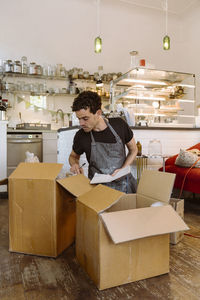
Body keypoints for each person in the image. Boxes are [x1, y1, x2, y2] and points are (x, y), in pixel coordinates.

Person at [69, 91, 138, 193]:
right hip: (97, 190)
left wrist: (123, 168)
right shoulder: (81, 135)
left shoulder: (119, 125)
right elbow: (73, 157)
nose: (81, 123)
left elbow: (133, 150)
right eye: (79, 119)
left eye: (85, 118)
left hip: (124, 187)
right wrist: (74, 165)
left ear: (98, 113)